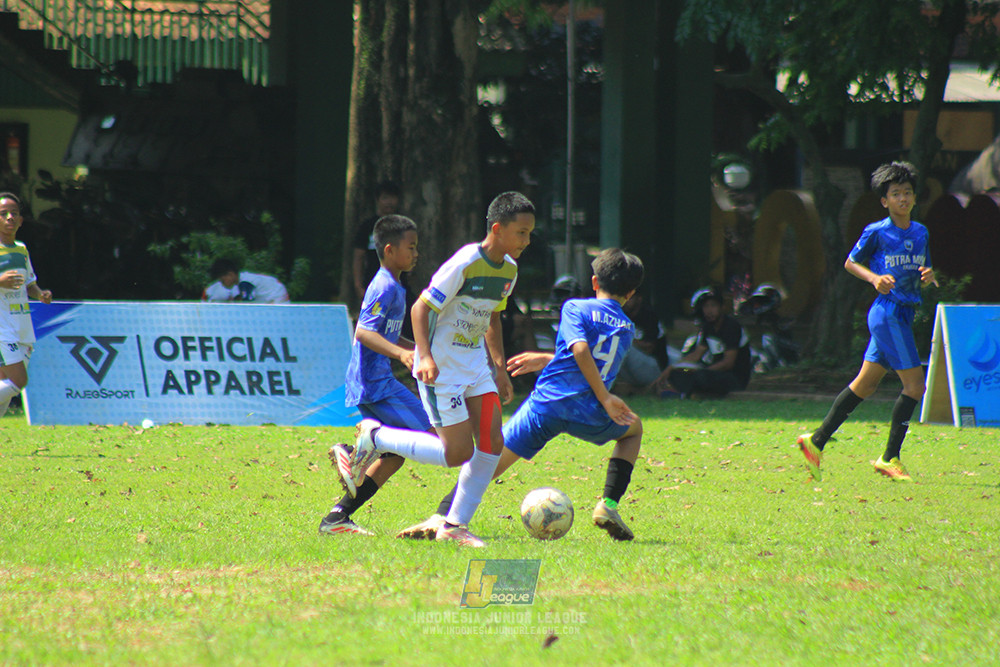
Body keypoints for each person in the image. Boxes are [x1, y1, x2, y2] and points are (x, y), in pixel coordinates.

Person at [397, 248, 646, 542]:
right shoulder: (627, 327)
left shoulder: (575, 308)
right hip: (589, 410)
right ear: (631, 293)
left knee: (490, 460)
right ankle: (609, 504)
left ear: (594, 282)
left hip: (547, 406)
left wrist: (602, 394)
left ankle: (442, 515)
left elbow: (580, 350)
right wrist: (555, 364)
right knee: (633, 430)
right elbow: (591, 358)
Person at [340, 191, 536, 547]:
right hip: (443, 368)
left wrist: (498, 367)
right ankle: (375, 438)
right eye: (521, 232)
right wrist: (425, 357)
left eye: (529, 233)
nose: (527, 240)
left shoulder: (509, 269)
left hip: (475, 366)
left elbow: (493, 315)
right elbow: (421, 309)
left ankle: (454, 525)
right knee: (456, 453)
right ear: (497, 229)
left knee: (493, 443)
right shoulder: (464, 262)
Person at [797, 161, 936, 482]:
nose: (903, 199)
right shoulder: (877, 231)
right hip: (887, 313)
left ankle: (815, 442)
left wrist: (928, 276)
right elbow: (850, 263)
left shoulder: (921, 232)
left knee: (866, 384)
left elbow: (923, 271)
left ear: (914, 198)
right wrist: (874, 279)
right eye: (896, 194)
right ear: (884, 201)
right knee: (916, 386)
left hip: (903, 313)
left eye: (908, 193)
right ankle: (890, 457)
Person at [321, 215, 431, 535]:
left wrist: (415, 349)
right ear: (389, 249)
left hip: (372, 383)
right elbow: (364, 333)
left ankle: (337, 517)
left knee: (395, 456)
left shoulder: (395, 285)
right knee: (429, 435)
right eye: (410, 247)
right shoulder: (384, 286)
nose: (415, 253)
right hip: (375, 384)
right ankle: (353, 451)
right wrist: (401, 355)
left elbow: (388, 333)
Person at [0, 192, 53, 418]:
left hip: (22, 326)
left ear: (21, 221)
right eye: (4, 214)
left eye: (14, 214)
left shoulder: (21, 249)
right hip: (3, 328)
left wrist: (40, 294)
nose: (10, 218)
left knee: (5, 386)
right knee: (17, 381)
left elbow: (29, 282)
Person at [654, 286, 751, 398]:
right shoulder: (707, 327)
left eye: (713, 306)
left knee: (700, 377)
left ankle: (685, 395)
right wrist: (674, 367)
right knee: (681, 372)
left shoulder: (732, 327)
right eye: (706, 307)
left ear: (722, 307)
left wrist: (702, 371)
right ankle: (687, 393)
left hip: (733, 378)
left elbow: (728, 363)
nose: (709, 311)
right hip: (711, 373)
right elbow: (696, 354)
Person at [352, 181, 402, 304]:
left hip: (399, 286)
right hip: (373, 284)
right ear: (377, 200)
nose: (389, 202)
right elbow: (358, 257)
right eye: (385, 198)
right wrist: (358, 286)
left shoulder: (403, 226)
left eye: (393, 198)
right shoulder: (367, 226)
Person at [614, 292, 670, 393]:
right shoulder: (621, 315)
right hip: (634, 371)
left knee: (623, 344)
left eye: (630, 298)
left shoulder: (648, 316)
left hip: (655, 368)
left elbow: (649, 347)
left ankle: (604, 386)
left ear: (639, 299)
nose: (626, 301)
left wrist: (627, 339)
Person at [202, 259, 290, 303]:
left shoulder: (246, 282)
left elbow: (246, 305)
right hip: (272, 296)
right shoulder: (242, 280)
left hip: (276, 298)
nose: (222, 284)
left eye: (222, 280)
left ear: (230, 274)